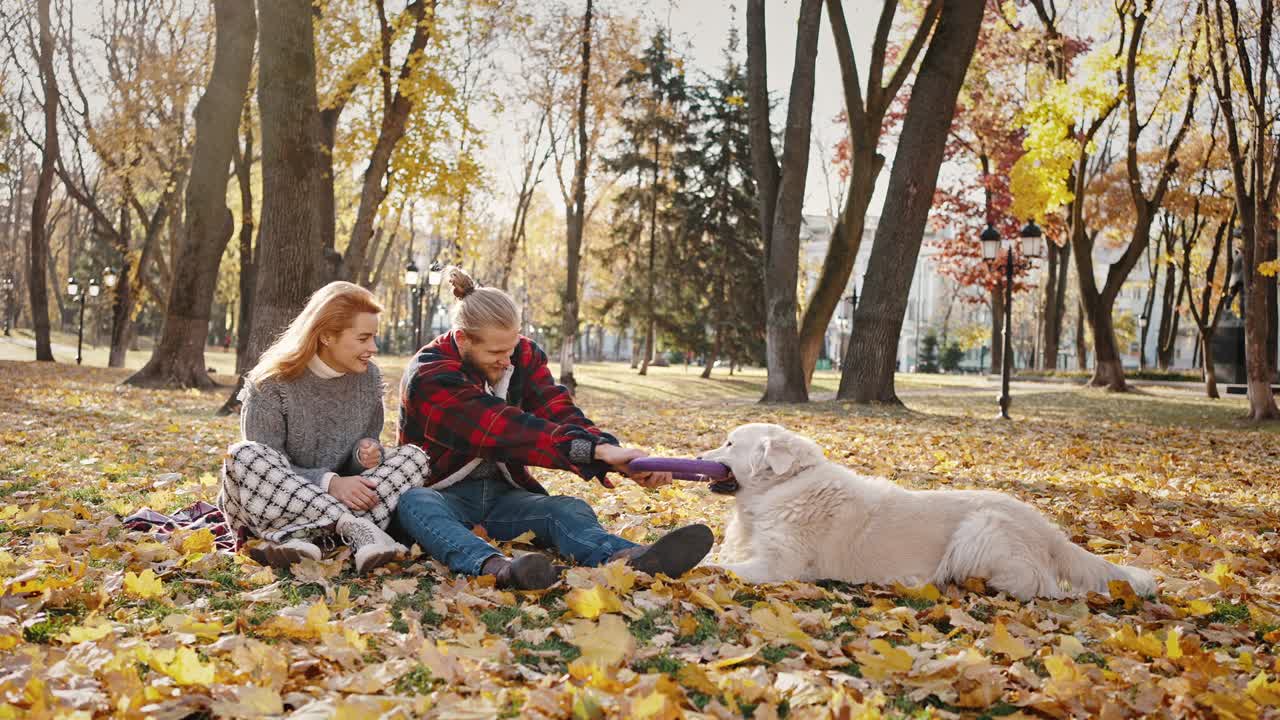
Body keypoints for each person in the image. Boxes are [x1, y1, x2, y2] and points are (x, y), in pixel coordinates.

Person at [394, 267, 713, 590]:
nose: (507, 360)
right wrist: (595, 451)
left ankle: (627, 559)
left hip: (504, 496)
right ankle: (499, 568)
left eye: (511, 348)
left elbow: (559, 412)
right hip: (443, 494)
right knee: (414, 504)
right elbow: (502, 429)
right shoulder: (430, 375)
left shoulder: (521, 355)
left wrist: (616, 457)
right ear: (462, 339)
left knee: (567, 508)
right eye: (495, 352)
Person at [218, 282, 427, 574]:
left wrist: (365, 453)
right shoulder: (270, 383)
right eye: (364, 338)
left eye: (374, 338)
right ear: (327, 335)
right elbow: (268, 470)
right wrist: (330, 483)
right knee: (244, 454)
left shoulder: (368, 378)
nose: (373, 348)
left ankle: (310, 540)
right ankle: (351, 531)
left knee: (413, 457)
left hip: (336, 497)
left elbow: (360, 461)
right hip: (274, 506)